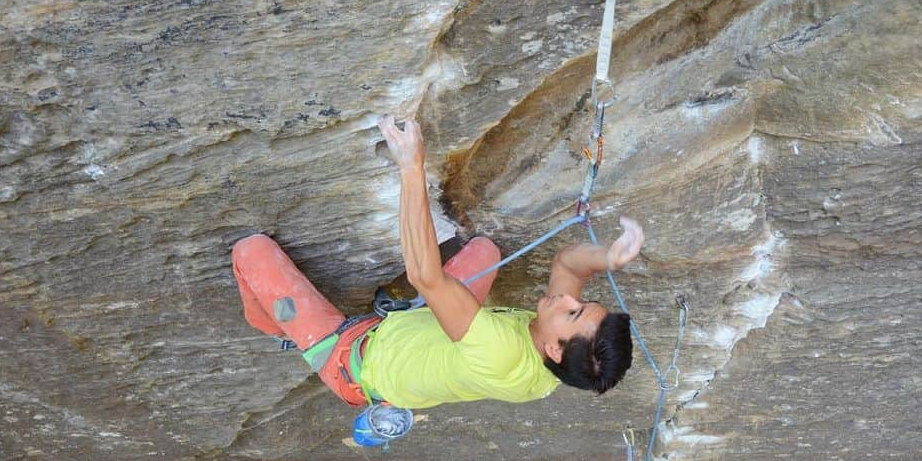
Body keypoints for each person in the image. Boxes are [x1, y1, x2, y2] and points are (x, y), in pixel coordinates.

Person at [230, 115, 645, 410]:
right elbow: (571, 267)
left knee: (250, 252)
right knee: (484, 252)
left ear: (555, 350)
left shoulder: (501, 352)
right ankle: (392, 314)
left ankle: (275, 325)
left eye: (572, 312)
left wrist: (411, 167)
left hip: (352, 358)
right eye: (581, 304)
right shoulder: (559, 362)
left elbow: (425, 275)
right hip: (424, 331)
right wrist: (607, 257)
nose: (566, 300)